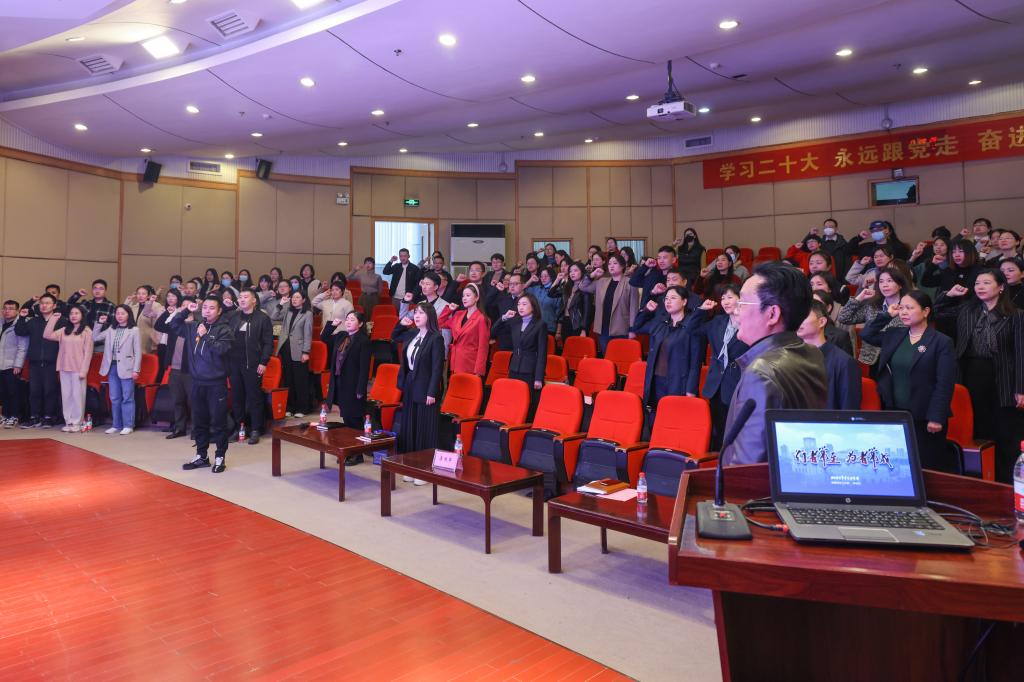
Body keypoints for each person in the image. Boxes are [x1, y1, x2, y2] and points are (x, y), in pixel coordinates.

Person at [721, 262, 828, 465]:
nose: (736, 311)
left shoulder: (760, 373)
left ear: (772, 314)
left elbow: (746, 469)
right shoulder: (811, 353)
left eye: (742, 303)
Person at [935, 270, 1024, 483]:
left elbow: (1021, 353)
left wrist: (1021, 388)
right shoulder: (967, 310)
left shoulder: (1016, 315)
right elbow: (935, 312)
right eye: (977, 283)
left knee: (1005, 433)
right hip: (971, 375)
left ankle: (1007, 483)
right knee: (978, 430)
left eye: (986, 282)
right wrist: (949, 295)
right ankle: (982, 480)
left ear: (1001, 287)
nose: (980, 287)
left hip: (1004, 379)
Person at [860, 291, 956, 472]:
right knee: (898, 466)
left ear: (925, 311)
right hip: (895, 412)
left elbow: (944, 383)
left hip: (925, 416)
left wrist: (936, 416)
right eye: (901, 307)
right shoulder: (895, 335)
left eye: (910, 308)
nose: (904, 312)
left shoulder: (941, 342)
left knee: (925, 467)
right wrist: (887, 315)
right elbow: (867, 333)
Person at [167, 298, 234, 473]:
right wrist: (185, 311)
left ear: (219, 311)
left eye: (212, 308)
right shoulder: (193, 326)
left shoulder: (225, 329)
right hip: (197, 382)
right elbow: (174, 325)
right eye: (204, 308)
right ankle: (201, 455)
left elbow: (221, 350)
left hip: (216, 383)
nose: (207, 311)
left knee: (218, 422)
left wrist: (206, 336)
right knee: (199, 421)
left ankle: (220, 457)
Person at [632, 286, 702, 428]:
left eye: (673, 298)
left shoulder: (691, 326)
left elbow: (696, 363)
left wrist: (691, 390)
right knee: (654, 421)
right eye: (666, 298)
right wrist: (646, 311)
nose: (668, 301)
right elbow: (637, 327)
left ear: (684, 301)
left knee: (673, 422)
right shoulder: (661, 322)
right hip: (656, 381)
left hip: (678, 382)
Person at [689, 285, 748, 450]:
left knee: (735, 431)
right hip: (716, 384)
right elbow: (691, 330)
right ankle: (717, 460)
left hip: (737, 382)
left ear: (741, 299)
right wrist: (701, 310)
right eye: (722, 298)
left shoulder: (749, 322)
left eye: (730, 297)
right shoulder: (718, 321)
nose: (725, 302)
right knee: (717, 430)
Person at [392, 303, 445, 483]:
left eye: (421, 313)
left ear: (430, 316)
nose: (417, 316)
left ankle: (426, 469)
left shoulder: (436, 338)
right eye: (415, 313)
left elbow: (437, 368)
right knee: (411, 427)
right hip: (410, 385)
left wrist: (432, 392)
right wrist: (401, 324)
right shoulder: (412, 333)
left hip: (426, 389)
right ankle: (412, 465)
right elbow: (395, 336)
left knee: (424, 429)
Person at [226, 288, 273, 444]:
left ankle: (255, 429)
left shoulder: (262, 318)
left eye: (246, 297)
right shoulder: (233, 317)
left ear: (254, 300)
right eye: (240, 297)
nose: (242, 299)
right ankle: (240, 427)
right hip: (234, 364)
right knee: (237, 397)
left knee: (254, 397)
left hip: (253, 364)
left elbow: (268, 343)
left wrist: (263, 362)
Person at [837, 267, 910, 367]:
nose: (885, 285)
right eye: (881, 281)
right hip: (870, 360)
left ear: (900, 285)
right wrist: (858, 298)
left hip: (897, 360)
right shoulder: (872, 306)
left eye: (889, 281)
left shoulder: (908, 307)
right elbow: (844, 317)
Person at [795, 300, 861, 410]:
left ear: (821, 322)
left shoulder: (844, 362)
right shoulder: (790, 357)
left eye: (804, 316)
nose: (797, 321)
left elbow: (849, 409)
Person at [322, 311, 371, 449]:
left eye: (352, 320)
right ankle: (349, 450)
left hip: (353, 385)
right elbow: (324, 337)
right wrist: (332, 325)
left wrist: (361, 389)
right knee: (346, 417)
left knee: (354, 420)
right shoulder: (341, 335)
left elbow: (364, 368)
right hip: (340, 382)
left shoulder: (363, 341)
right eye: (347, 319)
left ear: (360, 324)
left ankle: (357, 452)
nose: (348, 322)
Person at [92, 305, 141, 435]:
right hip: (112, 367)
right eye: (118, 313)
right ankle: (116, 424)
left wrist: (136, 370)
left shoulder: (134, 330)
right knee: (114, 397)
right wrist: (99, 324)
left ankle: (128, 425)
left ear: (128, 315)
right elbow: (95, 337)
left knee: (127, 397)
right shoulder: (111, 329)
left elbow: (138, 352)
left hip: (127, 367)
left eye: (123, 313)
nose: (119, 316)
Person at [43, 306, 92, 432]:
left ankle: (77, 422)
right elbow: (47, 335)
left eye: (76, 313)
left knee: (77, 396)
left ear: (82, 315)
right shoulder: (64, 330)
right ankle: (68, 421)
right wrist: (53, 319)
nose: (73, 315)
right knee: (66, 396)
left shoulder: (86, 331)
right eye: (71, 313)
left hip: (78, 369)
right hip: (64, 367)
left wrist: (84, 370)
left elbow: (88, 353)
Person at [15, 294, 62, 428]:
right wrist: (21, 317)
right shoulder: (33, 321)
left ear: (54, 306)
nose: (44, 305)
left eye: (47, 303)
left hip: (52, 362)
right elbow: (20, 331)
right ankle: (34, 417)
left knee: (50, 391)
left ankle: (48, 417)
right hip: (34, 362)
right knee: (34, 391)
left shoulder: (61, 321)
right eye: (42, 303)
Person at [579, 253, 639, 354]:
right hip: (603, 328)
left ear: (622, 266)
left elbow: (634, 308)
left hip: (621, 328)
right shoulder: (602, 281)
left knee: (619, 357)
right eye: (609, 263)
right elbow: (582, 287)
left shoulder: (630, 283)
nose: (611, 266)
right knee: (606, 356)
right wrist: (592, 275)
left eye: (615, 263)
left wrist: (632, 329)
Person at [491, 293, 547, 398]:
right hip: (514, 368)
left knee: (527, 400)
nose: (520, 307)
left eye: (524, 304)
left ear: (533, 306)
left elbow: (542, 353)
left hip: (530, 370)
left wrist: (538, 377)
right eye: (519, 304)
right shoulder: (515, 322)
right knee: (512, 399)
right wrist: (504, 317)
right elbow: (493, 332)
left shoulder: (540, 325)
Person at [153, 292, 193, 439]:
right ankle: (179, 428)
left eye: (188, 306)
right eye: (183, 306)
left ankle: (197, 429)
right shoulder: (175, 325)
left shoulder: (198, 325)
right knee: (177, 401)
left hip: (190, 370)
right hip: (174, 369)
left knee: (193, 402)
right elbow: (158, 326)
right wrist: (167, 313)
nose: (185, 308)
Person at [271, 289, 313, 418]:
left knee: (300, 380)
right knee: (288, 379)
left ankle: (302, 408)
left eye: (297, 297)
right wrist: (280, 304)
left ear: (304, 300)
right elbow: (273, 317)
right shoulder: (288, 311)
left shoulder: (307, 313)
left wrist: (306, 351)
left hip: (299, 350)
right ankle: (290, 407)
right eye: (293, 297)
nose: (294, 299)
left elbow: (308, 334)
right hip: (286, 348)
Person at [438, 283, 491, 377]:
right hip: (455, 362)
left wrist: (478, 371)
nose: (464, 298)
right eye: (463, 296)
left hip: (470, 365)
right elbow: (440, 323)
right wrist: (449, 310)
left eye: (468, 295)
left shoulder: (481, 318)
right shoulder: (458, 314)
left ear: (477, 298)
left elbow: (483, 347)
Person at [0, 300, 29, 427]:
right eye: (5, 308)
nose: (7, 311)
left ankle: (15, 415)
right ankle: (5, 415)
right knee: (3, 392)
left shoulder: (19, 325)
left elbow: (23, 347)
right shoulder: (1, 323)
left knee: (14, 392)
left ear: (17, 311)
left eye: (11, 308)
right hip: (1, 364)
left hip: (13, 365)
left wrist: (18, 364)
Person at [485, 272, 524, 350]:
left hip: (522, 340)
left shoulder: (529, 300)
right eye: (510, 284)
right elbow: (486, 303)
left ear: (523, 285)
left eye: (516, 284)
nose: (512, 286)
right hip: (505, 341)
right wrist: (496, 289)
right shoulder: (504, 299)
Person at [557, 262, 593, 342]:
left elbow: (587, 311)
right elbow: (551, 293)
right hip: (566, 322)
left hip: (578, 324)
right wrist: (557, 280)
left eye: (575, 270)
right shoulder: (567, 286)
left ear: (582, 272)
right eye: (570, 271)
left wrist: (584, 329)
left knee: (578, 347)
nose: (572, 273)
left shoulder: (585, 287)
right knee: (567, 346)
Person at [125, 285, 162, 355]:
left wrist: (155, 344)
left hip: (148, 341)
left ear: (148, 296)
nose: (140, 296)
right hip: (134, 340)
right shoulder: (134, 307)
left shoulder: (155, 305)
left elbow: (157, 326)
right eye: (138, 293)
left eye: (143, 294)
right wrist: (127, 302)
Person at [527, 267, 562, 333]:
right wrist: (530, 280)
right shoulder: (536, 289)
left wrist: (558, 331)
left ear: (551, 277)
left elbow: (560, 314)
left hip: (550, 327)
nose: (543, 278)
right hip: (535, 326)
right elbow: (521, 289)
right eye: (541, 276)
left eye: (546, 276)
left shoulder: (557, 291)